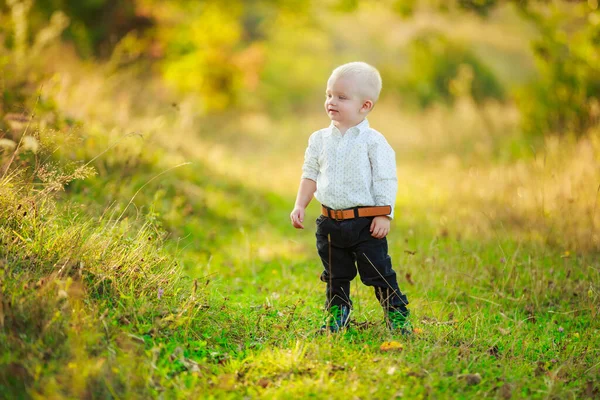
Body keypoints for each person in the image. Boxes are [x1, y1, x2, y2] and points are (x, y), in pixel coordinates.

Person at [290, 61, 412, 334]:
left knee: (378, 272)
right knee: (335, 274)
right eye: (329, 94)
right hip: (330, 222)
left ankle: (396, 312)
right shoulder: (319, 139)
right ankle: (337, 313)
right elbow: (309, 173)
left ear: (365, 106)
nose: (331, 101)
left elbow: (385, 178)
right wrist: (300, 204)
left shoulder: (373, 141)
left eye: (341, 97)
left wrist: (384, 213)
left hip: (365, 224)